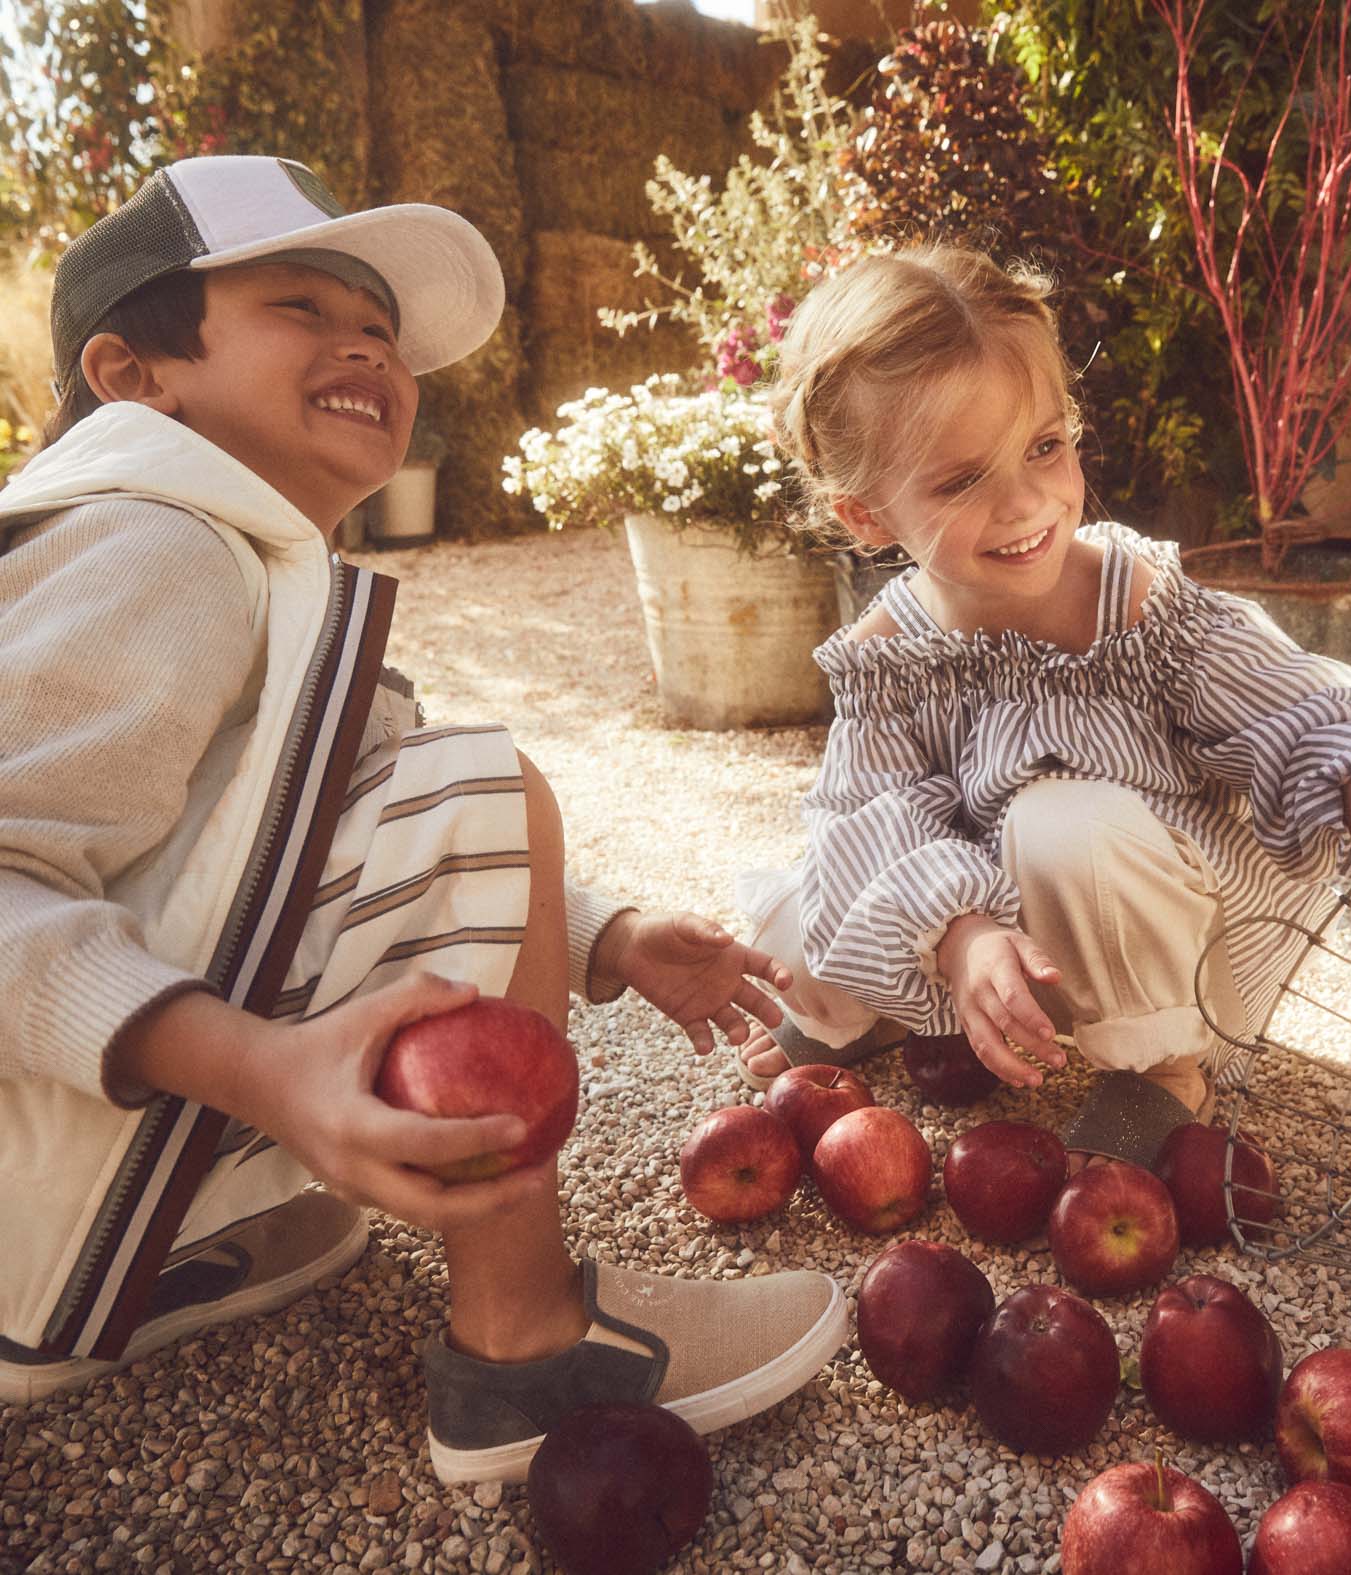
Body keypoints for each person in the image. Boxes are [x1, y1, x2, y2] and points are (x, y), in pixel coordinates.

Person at [0, 155, 848, 1484]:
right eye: (300, 307)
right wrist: (262, 1066)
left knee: (435, 788)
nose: (364, 348)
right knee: (484, 788)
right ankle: (527, 1346)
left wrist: (598, 931)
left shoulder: (244, 563)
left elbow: (318, 820)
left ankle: (159, 1247)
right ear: (131, 374)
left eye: (382, 329)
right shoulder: (153, 546)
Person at [733, 245, 1351, 1169]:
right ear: (869, 517)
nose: (1026, 502)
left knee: (1064, 825)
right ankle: (894, 1016)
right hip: (1010, 949)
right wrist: (962, 935)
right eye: (962, 480)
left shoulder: (1137, 609)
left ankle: (1162, 1069)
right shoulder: (891, 659)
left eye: (1045, 446)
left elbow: (1285, 702)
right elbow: (873, 820)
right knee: (802, 917)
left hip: (1158, 936)